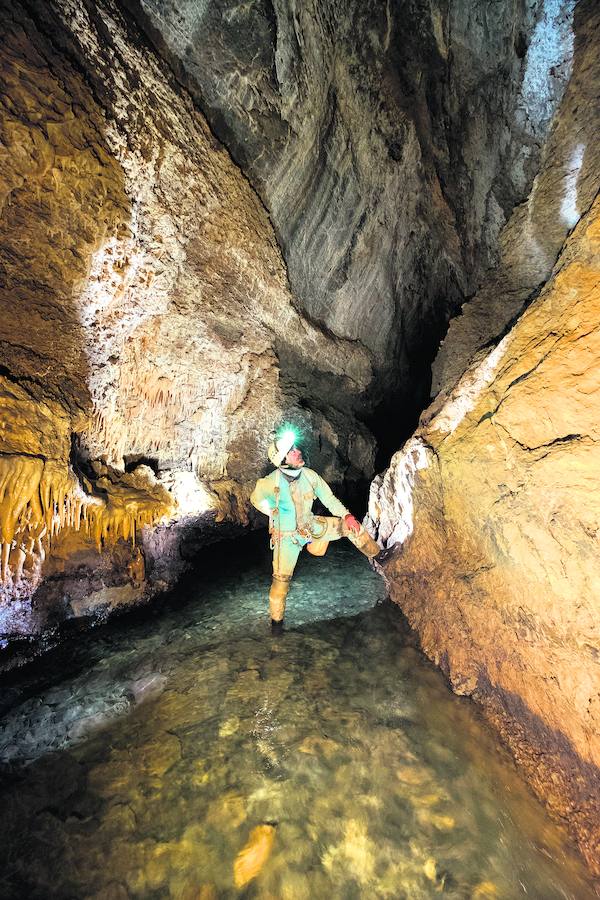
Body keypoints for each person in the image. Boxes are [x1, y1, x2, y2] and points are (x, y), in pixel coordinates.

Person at [250, 429, 380, 634]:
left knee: (351, 527)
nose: (298, 451)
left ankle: (378, 555)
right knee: (280, 586)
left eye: (295, 449)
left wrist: (346, 515)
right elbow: (255, 499)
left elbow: (328, 499)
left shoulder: (309, 476)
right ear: (283, 459)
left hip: (310, 527)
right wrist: (271, 511)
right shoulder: (270, 482)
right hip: (287, 539)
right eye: (292, 451)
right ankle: (276, 627)